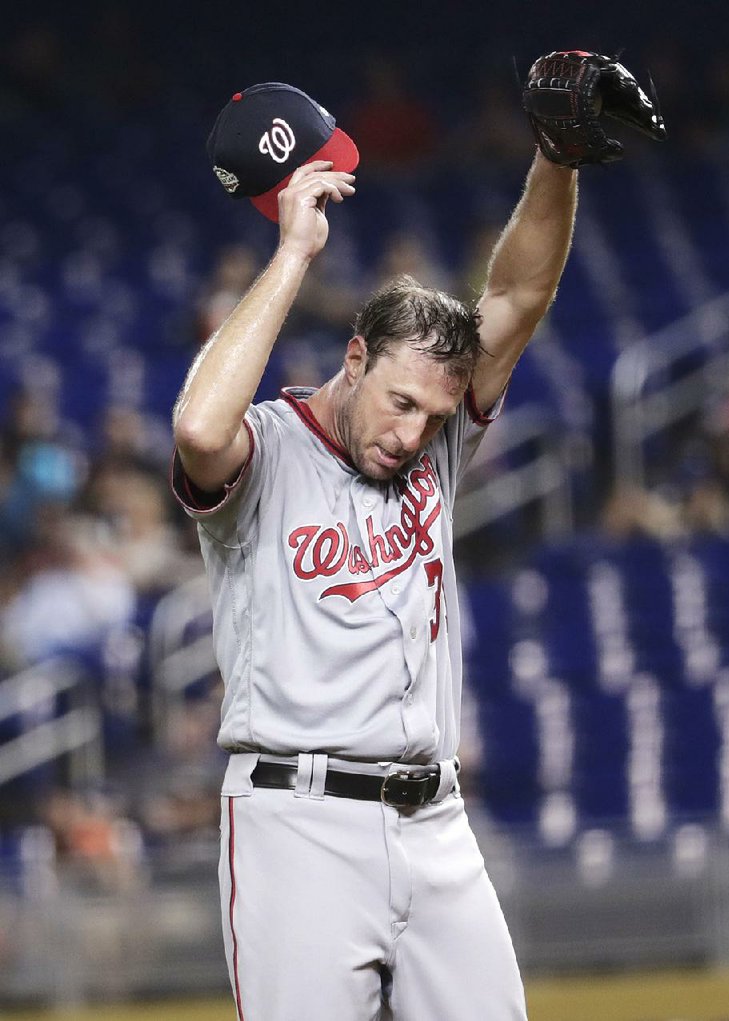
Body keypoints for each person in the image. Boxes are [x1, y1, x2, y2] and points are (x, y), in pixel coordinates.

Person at [172, 81, 576, 1021]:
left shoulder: (435, 436)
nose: (414, 433)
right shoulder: (263, 447)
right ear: (353, 358)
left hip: (435, 821)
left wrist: (556, 158)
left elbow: (518, 293)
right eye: (400, 402)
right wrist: (294, 251)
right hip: (295, 821)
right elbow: (197, 426)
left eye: (435, 413)